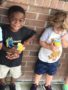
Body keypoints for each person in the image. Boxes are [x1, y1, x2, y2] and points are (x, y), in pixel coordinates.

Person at [0, 5, 36, 90]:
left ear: (24, 20)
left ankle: (12, 84)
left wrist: (26, 42)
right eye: (14, 19)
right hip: (2, 59)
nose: (17, 23)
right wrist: (7, 49)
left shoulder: (24, 31)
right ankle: (2, 83)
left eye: (21, 20)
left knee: (15, 74)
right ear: (8, 18)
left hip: (17, 60)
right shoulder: (3, 29)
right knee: (1, 74)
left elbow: (34, 33)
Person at [30, 11, 68, 90]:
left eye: (60, 29)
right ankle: (35, 84)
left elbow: (65, 46)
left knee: (51, 73)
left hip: (54, 59)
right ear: (53, 23)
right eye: (56, 28)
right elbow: (41, 41)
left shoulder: (65, 33)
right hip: (43, 57)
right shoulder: (49, 31)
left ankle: (47, 84)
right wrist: (49, 47)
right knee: (38, 72)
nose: (58, 31)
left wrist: (63, 40)